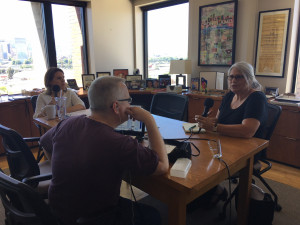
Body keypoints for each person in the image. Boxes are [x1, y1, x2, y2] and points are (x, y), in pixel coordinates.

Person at [40, 76, 168, 225]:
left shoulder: (68, 123)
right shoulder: (119, 143)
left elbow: (44, 143)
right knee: (153, 215)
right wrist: (149, 119)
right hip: (95, 217)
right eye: (128, 100)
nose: (130, 104)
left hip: (58, 212)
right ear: (116, 107)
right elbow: (162, 166)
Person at [192, 61, 268, 209]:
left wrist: (214, 127)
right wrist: (207, 121)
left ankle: (212, 191)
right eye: (230, 77)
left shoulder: (257, 98)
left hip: (247, 151)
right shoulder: (229, 96)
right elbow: (219, 120)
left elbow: (248, 131)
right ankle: (212, 190)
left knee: (208, 160)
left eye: (238, 77)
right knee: (196, 153)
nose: (233, 81)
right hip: (225, 143)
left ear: (249, 79)